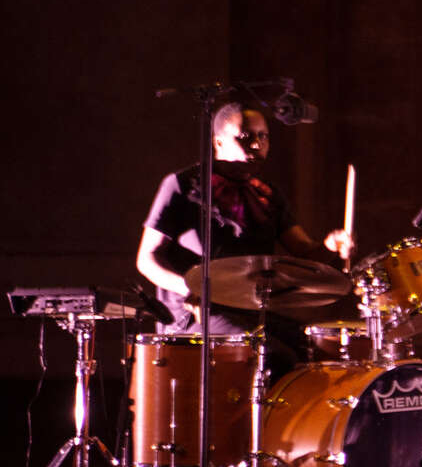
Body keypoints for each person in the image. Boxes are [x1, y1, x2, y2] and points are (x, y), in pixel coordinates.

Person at [136, 103, 354, 346]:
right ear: (218, 142)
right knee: (268, 352)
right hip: (193, 315)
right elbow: (146, 259)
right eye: (245, 137)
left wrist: (330, 245)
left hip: (248, 311)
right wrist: (190, 288)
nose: (256, 144)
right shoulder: (182, 185)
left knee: (311, 349)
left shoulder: (267, 194)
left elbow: (304, 252)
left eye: (263, 136)